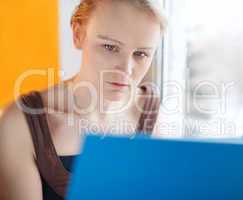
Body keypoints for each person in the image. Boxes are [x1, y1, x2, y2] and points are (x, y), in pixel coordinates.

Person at [0, 0, 167, 199]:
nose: (126, 69)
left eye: (141, 54)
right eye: (110, 47)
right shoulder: (20, 124)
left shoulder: (149, 111)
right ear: (78, 35)